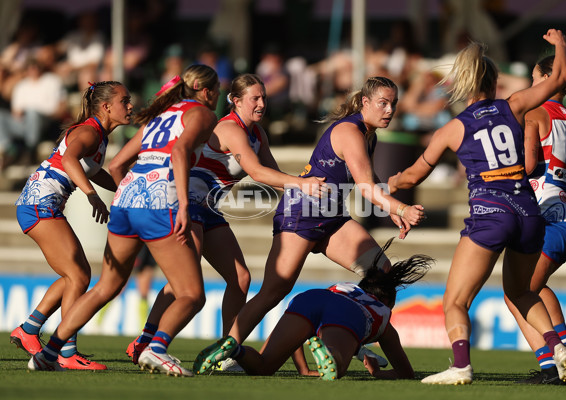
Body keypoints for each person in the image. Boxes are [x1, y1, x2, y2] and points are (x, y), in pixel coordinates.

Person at [194, 76, 427, 374]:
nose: (389, 110)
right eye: (383, 103)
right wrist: (401, 207)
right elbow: (366, 187)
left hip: (332, 218)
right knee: (273, 291)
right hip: (302, 214)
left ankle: (352, 335)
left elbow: (368, 185)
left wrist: (391, 209)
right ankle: (226, 350)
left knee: (382, 274)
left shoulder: (369, 135)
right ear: (365, 103)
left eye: (393, 104)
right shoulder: (349, 131)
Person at [386, 29, 566, 385]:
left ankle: (460, 365)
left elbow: (413, 177)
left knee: (455, 300)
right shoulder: (516, 104)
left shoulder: (453, 129)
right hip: (529, 212)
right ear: (494, 83)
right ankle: (558, 346)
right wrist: (561, 46)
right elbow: (561, 78)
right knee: (521, 292)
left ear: (466, 84)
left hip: (492, 214)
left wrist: (390, 184)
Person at [125, 73, 327, 371]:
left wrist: (308, 187)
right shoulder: (230, 129)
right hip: (188, 204)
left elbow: (275, 176)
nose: (262, 103)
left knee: (240, 278)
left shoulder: (257, 134)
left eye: (264, 97)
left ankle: (224, 351)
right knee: (184, 283)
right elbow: (258, 174)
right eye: (255, 98)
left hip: (210, 210)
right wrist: (303, 184)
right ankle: (149, 341)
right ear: (235, 101)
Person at [27, 64, 220, 377]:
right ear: (207, 91)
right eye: (218, 92)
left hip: (126, 200)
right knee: (191, 294)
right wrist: (183, 203)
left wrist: (132, 196)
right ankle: (155, 349)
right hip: (160, 203)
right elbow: (181, 151)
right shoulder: (201, 114)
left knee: (105, 286)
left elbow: (117, 166)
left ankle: (49, 353)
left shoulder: (161, 116)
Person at [10, 80, 132, 370]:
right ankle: (66, 353)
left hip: (39, 204)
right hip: (40, 205)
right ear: (105, 107)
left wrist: (126, 189)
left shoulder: (97, 134)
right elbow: (69, 159)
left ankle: (29, 329)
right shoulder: (90, 131)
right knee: (78, 277)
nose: (130, 106)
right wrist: (92, 196)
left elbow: (94, 171)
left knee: (74, 276)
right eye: (124, 101)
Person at [203, 238, 432, 380]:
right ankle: (329, 354)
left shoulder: (346, 287)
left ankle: (234, 348)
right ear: (388, 301)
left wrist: (303, 369)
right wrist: (376, 372)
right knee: (337, 369)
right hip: (347, 315)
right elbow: (406, 373)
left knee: (263, 366)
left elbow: (293, 339)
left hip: (313, 297)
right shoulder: (382, 316)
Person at [505, 57, 566, 385]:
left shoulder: (534, 115)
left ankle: (550, 365)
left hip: (548, 220)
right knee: (534, 287)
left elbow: (527, 167)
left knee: (517, 294)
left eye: (534, 78)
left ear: (546, 79)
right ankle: (565, 345)